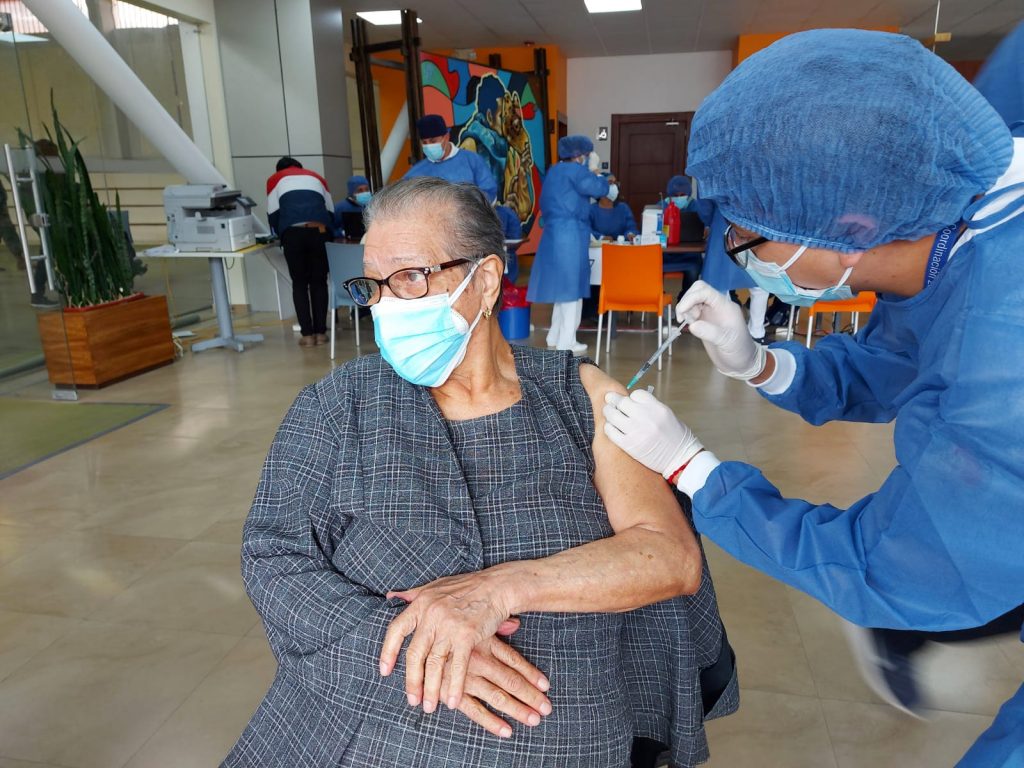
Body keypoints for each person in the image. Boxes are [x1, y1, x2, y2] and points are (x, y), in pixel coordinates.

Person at [602, 30, 1024, 767]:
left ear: (851, 227)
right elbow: (894, 362)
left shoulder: (1004, 355)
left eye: (748, 239)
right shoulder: (952, 227)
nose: (739, 252)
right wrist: (758, 361)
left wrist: (695, 471)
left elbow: (891, 565)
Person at [225, 177, 737, 768]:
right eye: (374, 286)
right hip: (371, 723)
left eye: (411, 277)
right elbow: (273, 556)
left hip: (562, 737)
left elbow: (669, 557)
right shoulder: (338, 407)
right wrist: (418, 646)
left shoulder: (580, 398)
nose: (388, 305)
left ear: (487, 279)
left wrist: (495, 592)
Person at [527, 135, 609, 353]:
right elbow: (600, 190)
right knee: (572, 289)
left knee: (560, 289)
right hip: (571, 234)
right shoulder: (578, 171)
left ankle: (554, 336)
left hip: (552, 234)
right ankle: (567, 342)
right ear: (581, 155)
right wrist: (595, 171)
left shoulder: (554, 171)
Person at [668, 174, 771, 342]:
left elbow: (705, 207)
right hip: (753, 225)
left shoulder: (713, 168)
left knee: (720, 285)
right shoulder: (754, 163)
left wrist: (713, 220)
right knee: (759, 285)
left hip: (723, 225)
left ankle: (728, 332)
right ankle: (757, 333)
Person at [266, 156, 334, 347]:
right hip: (319, 231)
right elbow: (329, 210)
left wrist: (282, 233)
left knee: (300, 284)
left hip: (293, 234)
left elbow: (273, 213)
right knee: (319, 282)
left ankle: (307, 336)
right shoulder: (316, 177)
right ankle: (321, 334)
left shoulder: (275, 179)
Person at [403, 114, 498, 202]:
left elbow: (489, 192)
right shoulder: (415, 173)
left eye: (433, 141)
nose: (429, 146)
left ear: (447, 137)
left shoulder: (472, 161)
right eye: (424, 142)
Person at [589, 173, 638, 242]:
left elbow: (631, 227)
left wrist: (630, 234)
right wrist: (601, 238)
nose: (614, 186)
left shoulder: (623, 208)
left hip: (620, 248)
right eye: (610, 183)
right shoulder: (591, 210)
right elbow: (586, 230)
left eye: (615, 183)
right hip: (599, 248)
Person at [333, 174, 371, 241]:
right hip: (348, 246)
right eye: (360, 190)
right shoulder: (339, 208)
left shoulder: (371, 207)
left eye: (367, 189)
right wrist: (342, 233)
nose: (364, 192)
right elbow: (331, 230)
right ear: (352, 192)